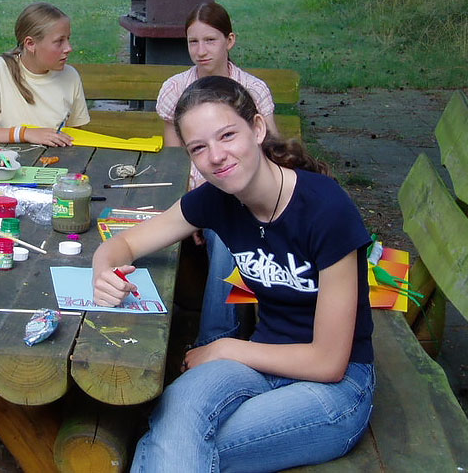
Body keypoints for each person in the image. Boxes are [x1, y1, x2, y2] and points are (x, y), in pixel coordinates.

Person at [92, 76, 375, 472]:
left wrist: (223, 349)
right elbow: (125, 243)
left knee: (172, 444)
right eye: (199, 148)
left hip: (335, 389)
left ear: (257, 129)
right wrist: (103, 269)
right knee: (177, 421)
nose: (216, 156)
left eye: (227, 135)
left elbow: (328, 361)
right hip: (260, 366)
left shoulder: (326, 210)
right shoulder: (217, 199)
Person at [157, 2, 279, 347]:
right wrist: (194, 209)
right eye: (192, 42)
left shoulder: (252, 90)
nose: (200, 51)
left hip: (246, 195)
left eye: (210, 40)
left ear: (230, 40)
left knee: (230, 234)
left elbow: (270, 156)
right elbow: (175, 162)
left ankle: (215, 340)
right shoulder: (174, 88)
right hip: (196, 194)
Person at [0, 2, 90, 147]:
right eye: (59, 41)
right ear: (30, 44)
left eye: (68, 39)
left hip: (52, 164)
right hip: (5, 164)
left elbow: (74, 137)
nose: (69, 48)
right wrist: (25, 133)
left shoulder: (70, 76)